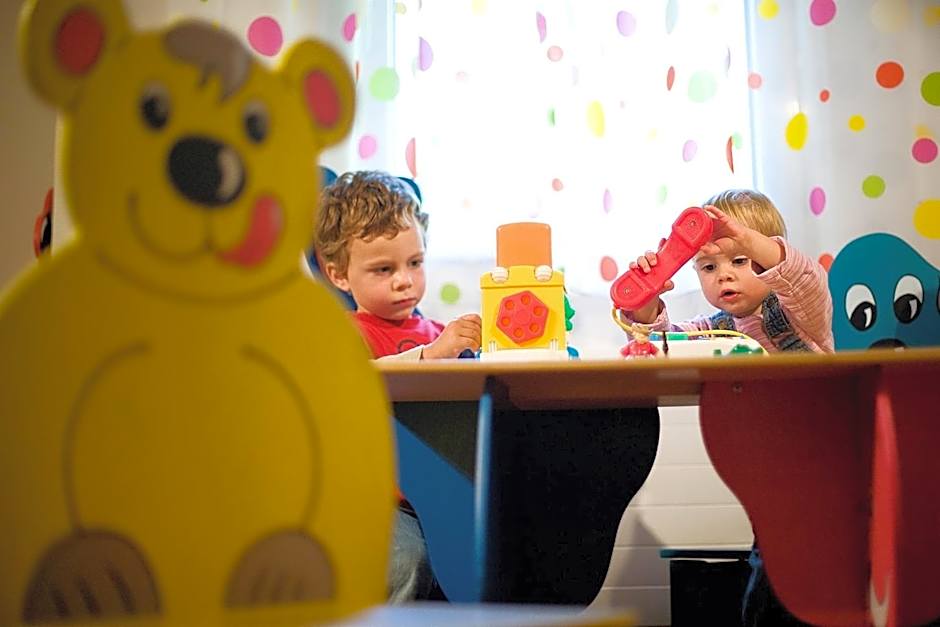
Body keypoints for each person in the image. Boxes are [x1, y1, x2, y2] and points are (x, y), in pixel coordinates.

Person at [616, 189, 833, 626]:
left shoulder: (798, 312)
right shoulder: (715, 329)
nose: (725, 277)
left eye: (740, 261)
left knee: (792, 579)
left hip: (827, 468)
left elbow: (806, 278)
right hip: (770, 481)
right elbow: (659, 345)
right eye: (709, 267)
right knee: (772, 570)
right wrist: (645, 299)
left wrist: (744, 237)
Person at [313, 170, 482, 603]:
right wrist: (432, 356)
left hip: (443, 493)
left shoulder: (435, 332)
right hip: (378, 501)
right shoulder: (344, 335)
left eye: (415, 263)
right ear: (339, 275)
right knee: (408, 559)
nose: (404, 280)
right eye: (383, 269)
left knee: (489, 551)